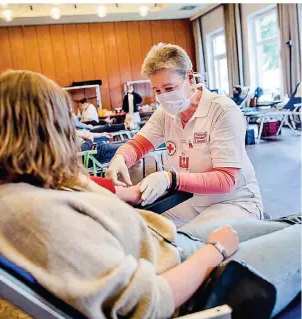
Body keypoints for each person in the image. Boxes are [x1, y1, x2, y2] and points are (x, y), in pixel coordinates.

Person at [0, 70, 300, 319]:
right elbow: (152, 300)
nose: (75, 134)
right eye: (66, 122)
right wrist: (214, 250)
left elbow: (79, 188)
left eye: (169, 87)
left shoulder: (24, 184)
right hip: (201, 283)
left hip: (172, 247)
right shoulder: (34, 216)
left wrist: (134, 188)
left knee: (294, 221)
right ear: (46, 129)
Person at [106, 43, 263, 228]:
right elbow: (138, 145)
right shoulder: (165, 113)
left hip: (235, 202)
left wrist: (171, 179)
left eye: (169, 88)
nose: (163, 96)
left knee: (185, 243)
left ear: (189, 77)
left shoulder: (222, 111)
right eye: (157, 90)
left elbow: (226, 179)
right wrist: (120, 158)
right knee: (143, 227)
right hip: (194, 201)